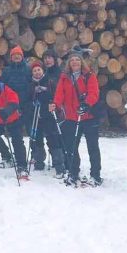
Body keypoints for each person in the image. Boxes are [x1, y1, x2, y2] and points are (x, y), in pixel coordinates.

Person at [52, 50, 101, 186]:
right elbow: (59, 94)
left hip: (88, 116)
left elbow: (94, 93)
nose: (75, 62)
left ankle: (95, 174)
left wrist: (86, 104)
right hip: (72, 117)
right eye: (72, 60)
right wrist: (55, 104)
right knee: (72, 146)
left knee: (93, 147)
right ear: (69, 63)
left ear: (81, 62)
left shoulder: (89, 76)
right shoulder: (64, 77)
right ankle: (74, 172)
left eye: (77, 60)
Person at [26, 61, 65, 176]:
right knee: (37, 139)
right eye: (34, 70)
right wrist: (33, 100)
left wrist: (47, 94)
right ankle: (39, 161)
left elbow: (56, 96)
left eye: (39, 70)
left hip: (48, 115)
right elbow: (27, 99)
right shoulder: (31, 84)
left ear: (42, 70)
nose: (37, 72)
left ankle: (59, 165)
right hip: (35, 115)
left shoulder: (49, 82)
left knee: (52, 138)